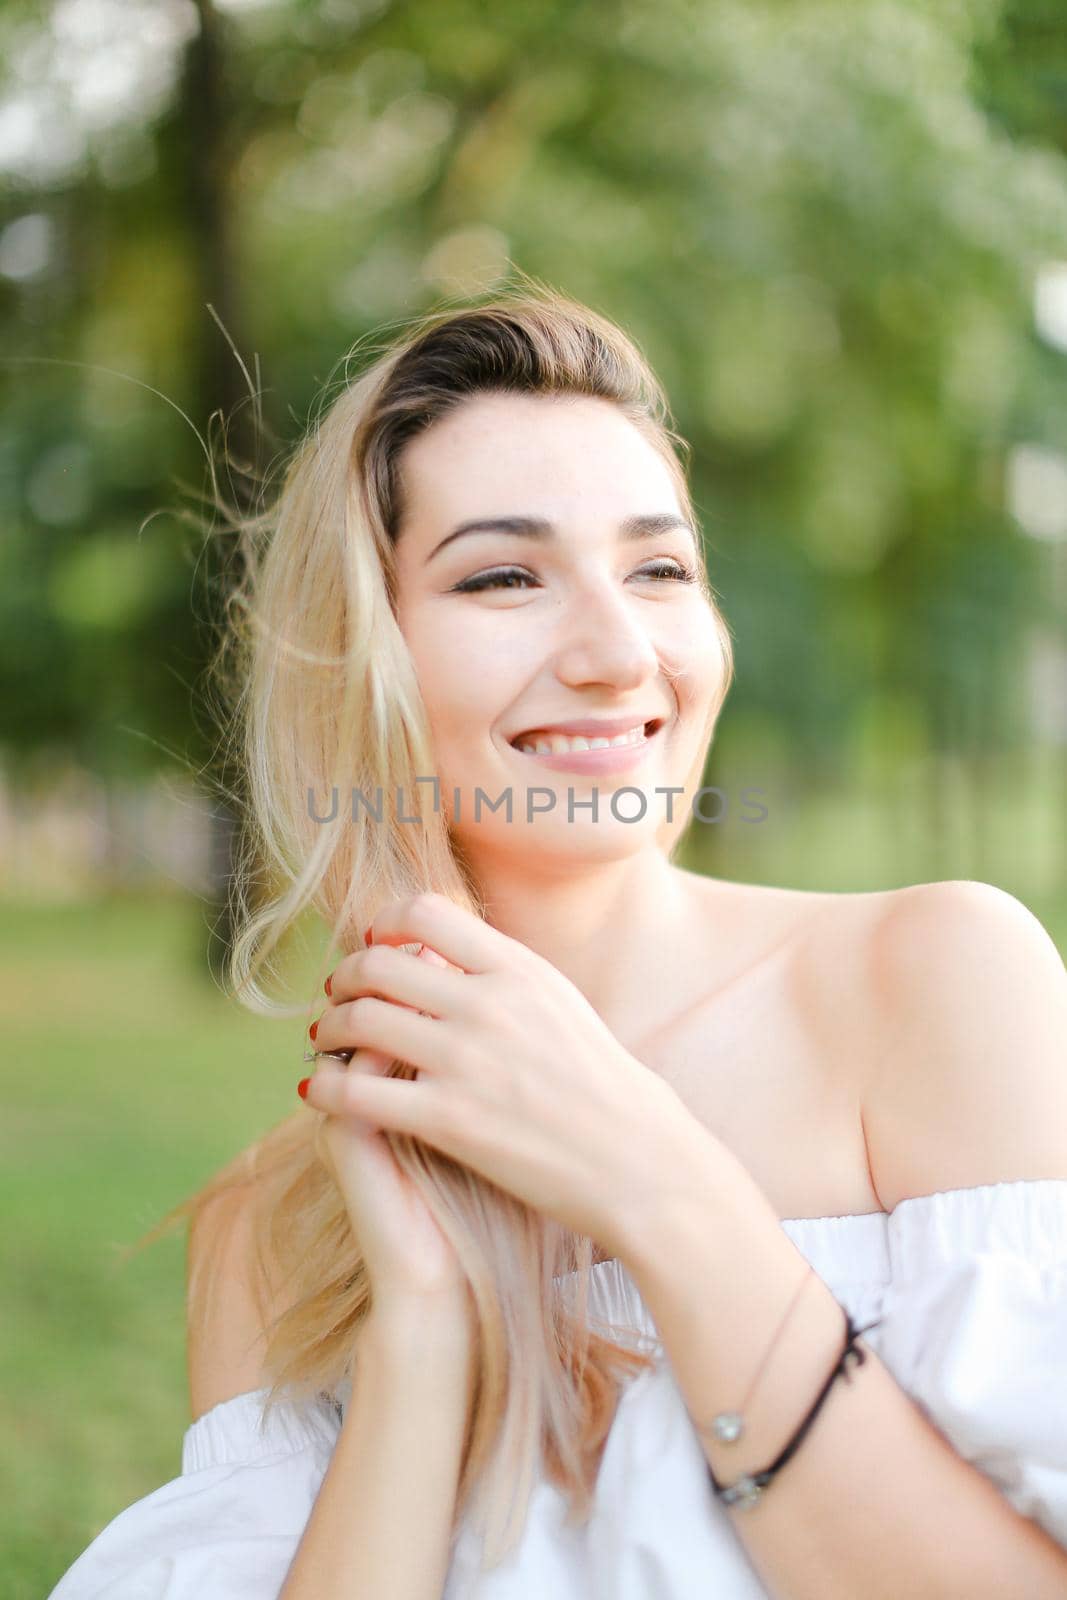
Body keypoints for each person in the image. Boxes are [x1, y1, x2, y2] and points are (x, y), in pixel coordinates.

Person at [49, 285, 1067, 1599]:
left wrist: (653, 1183)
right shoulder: (271, 1233)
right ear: (368, 658)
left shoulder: (933, 984)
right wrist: (423, 1338)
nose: (615, 651)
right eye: (504, 577)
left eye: (659, 569)